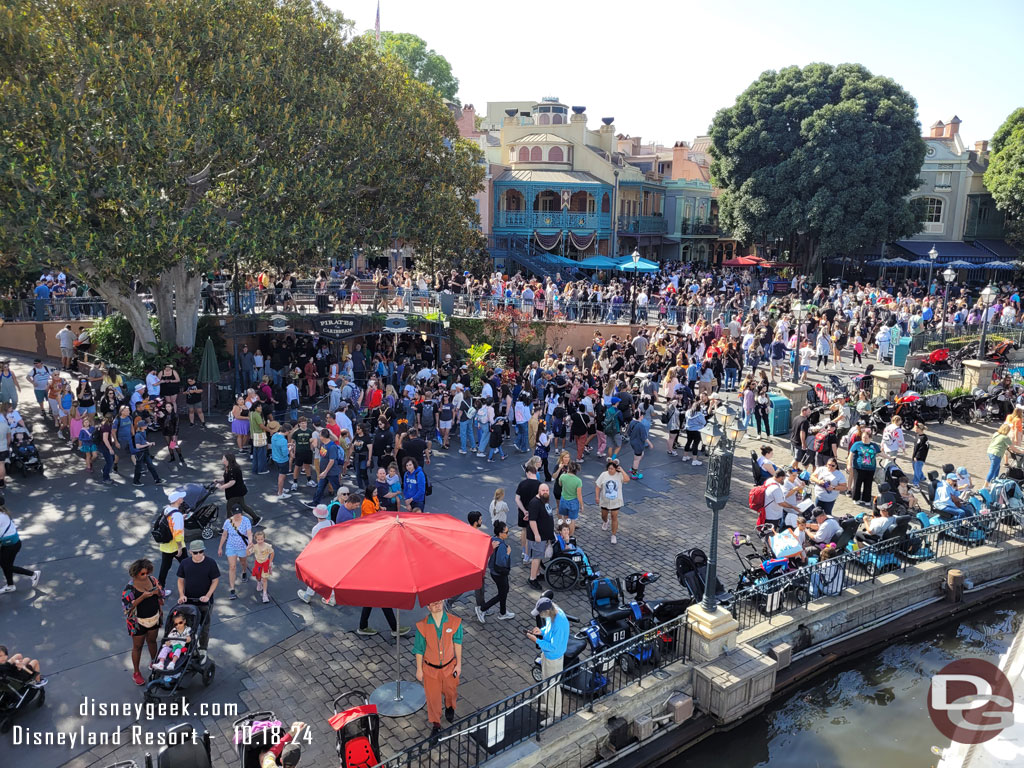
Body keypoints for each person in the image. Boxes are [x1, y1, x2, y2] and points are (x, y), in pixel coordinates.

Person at [414, 599, 463, 734]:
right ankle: (436, 724)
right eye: (433, 603)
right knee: (433, 698)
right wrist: (419, 669)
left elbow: (458, 643)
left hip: (449, 667)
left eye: (439, 602)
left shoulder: (454, 622)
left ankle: (450, 706)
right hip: (430, 669)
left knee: (451, 691)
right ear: (428, 607)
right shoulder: (422, 626)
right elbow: (419, 649)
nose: (437, 605)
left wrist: (458, 664)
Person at [527, 596, 569, 724]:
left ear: (546, 612)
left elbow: (553, 646)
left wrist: (537, 640)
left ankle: (555, 714)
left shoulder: (560, 622)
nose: (540, 615)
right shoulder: (552, 613)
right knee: (546, 682)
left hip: (554, 658)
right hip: (548, 655)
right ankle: (548, 706)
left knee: (553, 687)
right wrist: (541, 631)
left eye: (540, 613)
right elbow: (549, 631)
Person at [122, 558, 163, 685]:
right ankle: (136, 673)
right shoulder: (129, 589)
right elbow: (127, 608)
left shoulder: (153, 580)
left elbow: (161, 595)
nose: (146, 576)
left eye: (147, 573)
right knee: (138, 647)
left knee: (152, 641)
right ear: (135, 574)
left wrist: (158, 593)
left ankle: (154, 663)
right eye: (142, 574)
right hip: (137, 622)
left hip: (154, 618)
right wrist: (142, 597)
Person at [176, 539, 220, 651]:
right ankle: (190, 648)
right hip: (189, 602)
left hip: (205, 602)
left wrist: (208, 595)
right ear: (190, 552)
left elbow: (215, 580)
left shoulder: (210, 563)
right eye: (195, 552)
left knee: (204, 628)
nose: (199, 555)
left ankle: (203, 649)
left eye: (201, 552)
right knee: (189, 628)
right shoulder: (185, 563)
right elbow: (181, 580)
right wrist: (181, 595)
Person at [296, 505, 333, 604]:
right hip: (332, 551)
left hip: (321, 554)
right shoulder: (331, 522)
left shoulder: (316, 528)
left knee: (315, 575)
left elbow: (314, 543)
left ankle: (308, 595)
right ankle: (331, 597)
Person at [479, 521, 514, 621]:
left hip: (494, 572)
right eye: (506, 532)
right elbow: (501, 562)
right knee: (503, 593)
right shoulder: (502, 546)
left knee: (503, 591)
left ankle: (503, 612)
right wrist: (508, 553)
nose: (507, 534)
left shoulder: (493, 540)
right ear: (500, 533)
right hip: (500, 574)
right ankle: (483, 608)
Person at [218, 504, 252, 600]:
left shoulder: (246, 520)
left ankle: (244, 571)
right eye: (236, 513)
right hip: (231, 546)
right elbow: (224, 535)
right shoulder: (228, 522)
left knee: (243, 562)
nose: (238, 515)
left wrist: (250, 542)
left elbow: (249, 533)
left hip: (242, 546)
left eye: (239, 513)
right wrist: (220, 547)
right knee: (232, 566)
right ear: (233, 513)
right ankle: (232, 589)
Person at [157, 489, 187, 595]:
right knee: (187, 566)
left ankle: (160, 590)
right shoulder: (177, 515)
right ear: (178, 500)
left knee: (164, 569)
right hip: (176, 546)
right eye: (181, 497)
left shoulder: (167, 510)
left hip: (166, 546)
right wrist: (180, 548)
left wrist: (181, 518)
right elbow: (178, 534)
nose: (182, 499)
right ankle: (192, 589)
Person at [526, 483, 555, 590]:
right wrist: (537, 534)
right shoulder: (535, 503)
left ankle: (537, 574)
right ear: (539, 491)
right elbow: (532, 521)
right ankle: (532, 578)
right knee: (536, 558)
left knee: (539, 557)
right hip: (537, 538)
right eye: (543, 490)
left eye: (547, 490)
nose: (545, 492)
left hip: (544, 536)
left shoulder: (544, 500)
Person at [595, 459, 630, 545]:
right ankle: (605, 521)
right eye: (609, 468)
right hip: (605, 500)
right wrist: (597, 497)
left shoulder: (619, 475)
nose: (610, 470)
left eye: (612, 469)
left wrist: (622, 470)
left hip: (616, 501)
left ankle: (613, 535)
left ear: (615, 469)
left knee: (614, 516)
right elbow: (597, 485)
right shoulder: (604, 475)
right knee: (604, 515)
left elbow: (627, 479)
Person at [848, 429, 880, 505]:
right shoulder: (857, 444)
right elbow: (850, 455)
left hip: (870, 468)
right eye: (863, 437)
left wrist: (890, 458)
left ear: (870, 438)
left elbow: (880, 453)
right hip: (858, 467)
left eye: (866, 438)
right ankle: (856, 498)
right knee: (857, 483)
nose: (864, 439)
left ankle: (866, 499)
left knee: (868, 484)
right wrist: (849, 464)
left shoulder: (874, 445)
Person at [130, 416, 163, 487]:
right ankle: (136, 481)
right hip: (140, 453)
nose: (146, 426)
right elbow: (138, 446)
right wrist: (148, 444)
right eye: (145, 425)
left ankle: (157, 479)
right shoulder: (137, 435)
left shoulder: (143, 432)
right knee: (139, 467)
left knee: (150, 465)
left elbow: (144, 441)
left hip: (145, 452)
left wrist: (148, 443)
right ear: (142, 427)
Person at [247, 528, 275, 604]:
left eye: (262, 539)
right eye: (258, 539)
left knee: (265, 579)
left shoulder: (267, 546)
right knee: (258, 576)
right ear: (256, 539)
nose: (260, 541)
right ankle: (259, 582)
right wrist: (248, 548)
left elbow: (272, 553)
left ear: (264, 539)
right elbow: (248, 554)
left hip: (265, 563)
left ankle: (265, 594)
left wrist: (270, 562)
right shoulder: (255, 547)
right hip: (258, 564)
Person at [911, 422, 929, 487]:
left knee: (917, 470)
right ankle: (922, 477)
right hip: (915, 455)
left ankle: (916, 482)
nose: (914, 429)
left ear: (919, 429)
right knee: (915, 468)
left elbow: (922, 449)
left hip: (920, 457)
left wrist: (917, 457)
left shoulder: (924, 438)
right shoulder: (917, 435)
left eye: (915, 428)